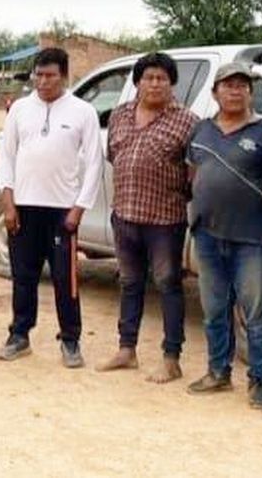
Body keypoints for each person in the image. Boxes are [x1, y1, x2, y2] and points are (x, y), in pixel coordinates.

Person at [0, 48, 102, 368]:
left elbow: (95, 162)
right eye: (38, 75)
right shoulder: (20, 110)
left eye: (50, 75)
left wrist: (79, 209)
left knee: (64, 279)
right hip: (24, 208)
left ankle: (70, 339)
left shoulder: (83, 112)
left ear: (65, 76)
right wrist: (8, 204)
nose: (43, 82)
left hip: (62, 211)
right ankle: (20, 335)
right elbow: (8, 157)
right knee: (24, 276)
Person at [184, 62, 262, 407]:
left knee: (255, 314)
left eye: (242, 85)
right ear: (215, 93)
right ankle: (218, 372)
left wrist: (260, 212)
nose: (235, 91)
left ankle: (260, 381)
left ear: (250, 92)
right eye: (228, 85)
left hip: (252, 238)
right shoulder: (201, 131)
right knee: (213, 310)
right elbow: (192, 174)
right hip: (207, 235)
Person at [97, 52, 198, 382]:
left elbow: (193, 172)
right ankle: (127, 350)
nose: (154, 84)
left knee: (168, 285)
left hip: (165, 221)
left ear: (171, 83)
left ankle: (172, 358)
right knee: (129, 283)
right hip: (125, 215)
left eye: (162, 78)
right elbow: (115, 156)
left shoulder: (187, 121)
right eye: (148, 78)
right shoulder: (120, 115)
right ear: (137, 82)